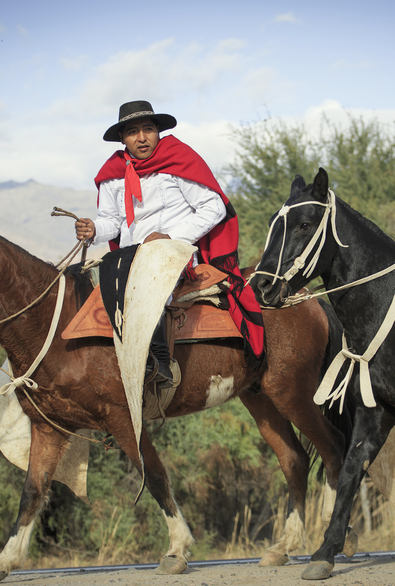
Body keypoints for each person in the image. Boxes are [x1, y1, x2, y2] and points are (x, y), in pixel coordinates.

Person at [75, 100, 265, 387]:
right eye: (133, 132)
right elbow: (112, 222)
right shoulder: (112, 173)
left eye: (148, 129)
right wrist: (93, 230)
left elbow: (214, 207)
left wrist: (170, 237)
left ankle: (160, 361)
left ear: (157, 132)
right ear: (122, 138)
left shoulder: (179, 160)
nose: (141, 138)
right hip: (129, 256)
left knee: (148, 279)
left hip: (174, 253)